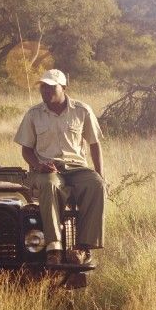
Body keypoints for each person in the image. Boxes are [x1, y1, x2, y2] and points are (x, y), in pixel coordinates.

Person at [13, 69, 105, 265]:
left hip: (76, 167)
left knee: (96, 184)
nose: (46, 91)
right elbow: (26, 150)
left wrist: (100, 174)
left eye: (51, 87)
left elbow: (95, 144)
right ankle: (54, 247)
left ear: (63, 88)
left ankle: (83, 247)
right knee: (50, 185)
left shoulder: (82, 110)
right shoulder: (34, 114)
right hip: (47, 168)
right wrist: (38, 165)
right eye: (43, 87)